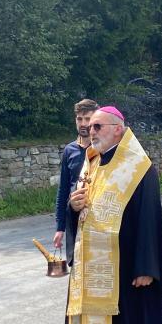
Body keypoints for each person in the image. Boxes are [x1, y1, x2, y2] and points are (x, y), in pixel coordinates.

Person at [44, 106, 162, 324]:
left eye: (98, 126)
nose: (90, 130)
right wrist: (73, 207)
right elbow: (82, 213)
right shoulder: (91, 161)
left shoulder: (139, 167)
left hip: (125, 274)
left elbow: (149, 219)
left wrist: (146, 267)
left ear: (117, 129)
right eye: (89, 125)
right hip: (89, 274)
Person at [53, 99, 98, 250]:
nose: (83, 123)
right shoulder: (69, 150)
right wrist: (60, 228)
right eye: (79, 119)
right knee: (74, 261)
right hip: (73, 216)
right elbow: (63, 189)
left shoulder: (102, 148)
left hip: (97, 219)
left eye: (88, 119)